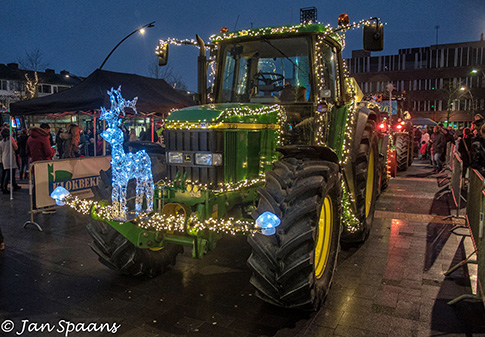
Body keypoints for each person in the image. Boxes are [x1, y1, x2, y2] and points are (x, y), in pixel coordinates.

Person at [0, 128, 21, 193]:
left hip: (4, 157)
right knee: (10, 173)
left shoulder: (1, 141)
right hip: (10, 157)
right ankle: (5, 186)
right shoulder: (10, 139)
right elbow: (16, 147)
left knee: (7, 172)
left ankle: (13, 185)